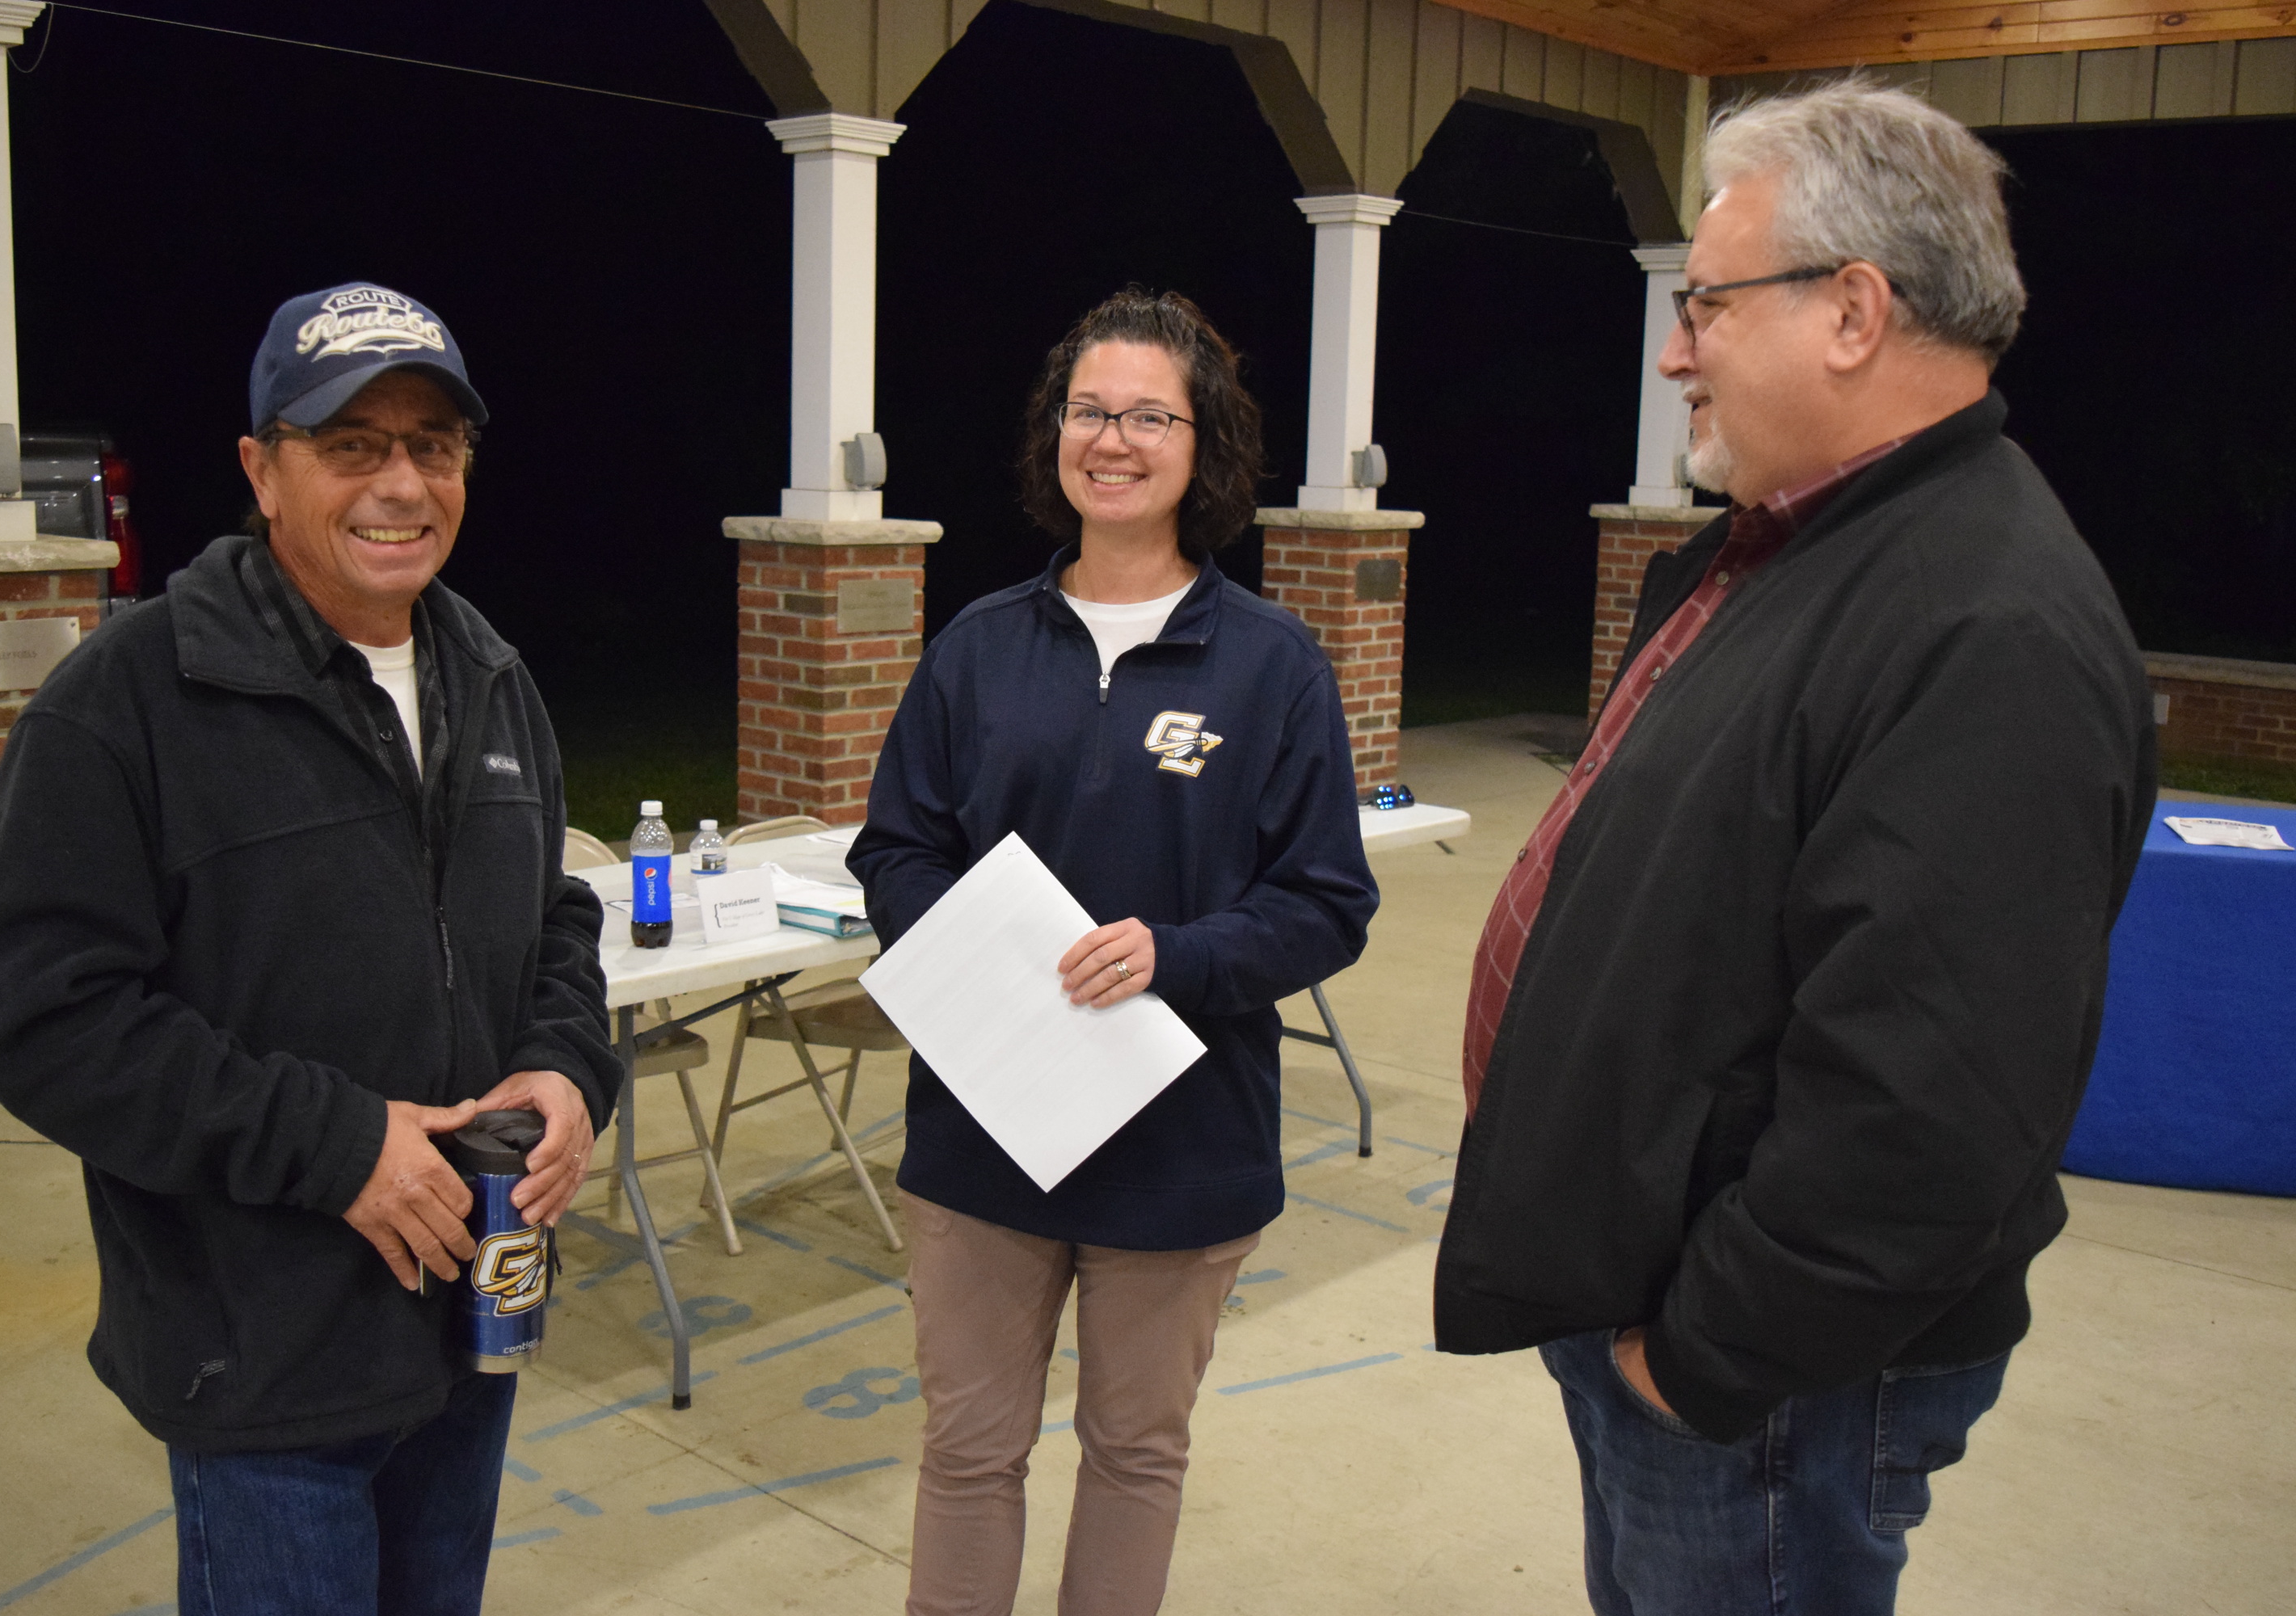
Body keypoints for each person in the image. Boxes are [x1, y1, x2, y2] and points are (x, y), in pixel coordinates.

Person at [1433, 83, 2156, 1614]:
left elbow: (1930, 1107)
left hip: (1773, 1388)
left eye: (1704, 305)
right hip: (1678, 1318)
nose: (1674, 347)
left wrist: (1701, 1360)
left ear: (1852, 310)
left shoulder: (1985, 625)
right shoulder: (1793, 551)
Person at [0, 283, 620, 1616]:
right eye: (351, 443)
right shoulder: (128, 703)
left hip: (467, 1322)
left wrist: (563, 1067)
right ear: (264, 470)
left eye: (432, 445)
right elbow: (41, 1016)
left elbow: (553, 916)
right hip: (260, 1360)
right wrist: (337, 1145)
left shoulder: (492, 679)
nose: (401, 482)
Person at [850, 288, 1378, 1616]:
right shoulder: (979, 648)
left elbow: (1326, 898)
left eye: (1153, 414)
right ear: (1056, 434)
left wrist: (1179, 957)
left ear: (1204, 447)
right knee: (969, 1454)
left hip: (1181, 1138)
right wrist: (971, 957)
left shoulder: (1271, 665)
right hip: (983, 1136)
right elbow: (896, 850)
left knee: (1136, 1453)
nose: (1116, 439)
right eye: (1092, 410)